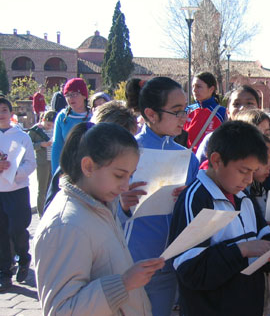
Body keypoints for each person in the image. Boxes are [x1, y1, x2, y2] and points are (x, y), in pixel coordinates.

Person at [34, 122, 164, 315]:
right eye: (119, 175)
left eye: (130, 176)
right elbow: (61, 310)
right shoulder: (65, 226)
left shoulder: (100, 204)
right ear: (88, 166)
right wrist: (124, 283)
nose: (126, 186)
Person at [169, 120, 270, 316]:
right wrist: (242, 250)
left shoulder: (243, 196)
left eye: (253, 172)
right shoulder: (196, 199)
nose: (249, 180)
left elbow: (264, 238)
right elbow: (190, 270)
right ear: (217, 160)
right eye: (243, 171)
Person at [119, 76, 200, 316]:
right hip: (128, 265)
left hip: (167, 266)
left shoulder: (188, 158)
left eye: (185, 110)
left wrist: (188, 200)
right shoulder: (126, 151)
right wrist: (121, 204)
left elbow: (195, 212)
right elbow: (97, 207)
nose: (184, 118)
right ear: (151, 114)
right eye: (176, 112)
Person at [44, 100, 138, 213]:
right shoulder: (70, 169)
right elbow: (52, 213)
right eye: (118, 176)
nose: (125, 186)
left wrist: (122, 208)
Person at [0, 98, 36, 291]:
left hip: (17, 190)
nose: (1, 114)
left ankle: (24, 257)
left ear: (11, 113)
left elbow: (31, 163)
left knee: (17, 229)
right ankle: (5, 272)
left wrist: (13, 172)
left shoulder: (22, 136)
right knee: (1, 234)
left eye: (4, 109)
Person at [196, 85, 261, 163]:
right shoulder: (213, 140)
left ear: (259, 109)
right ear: (228, 112)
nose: (243, 108)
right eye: (236, 104)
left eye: (249, 103)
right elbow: (198, 171)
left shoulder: (265, 139)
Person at [51, 78, 91, 174]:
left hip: (90, 169)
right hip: (69, 169)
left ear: (84, 96)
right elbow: (57, 145)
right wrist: (56, 172)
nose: (71, 98)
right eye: (67, 95)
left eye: (75, 94)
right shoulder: (62, 117)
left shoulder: (94, 116)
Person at [184, 72, 227, 152]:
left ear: (211, 89)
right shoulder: (188, 110)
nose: (194, 90)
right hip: (187, 159)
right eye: (193, 86)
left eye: (198, 87)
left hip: (208, 160)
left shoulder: (222, 113)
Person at [27, 110, 56, 216]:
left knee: (51, 189)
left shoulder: (55, 128)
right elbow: (28, 145)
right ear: (43, 120)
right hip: (42, 162)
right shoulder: (35, 130)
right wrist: (41, 144)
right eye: (48, 124)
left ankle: (50, 212)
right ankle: (41, 214)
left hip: (52, 161)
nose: (49, 127)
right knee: (42, 190)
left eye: (51, 125)